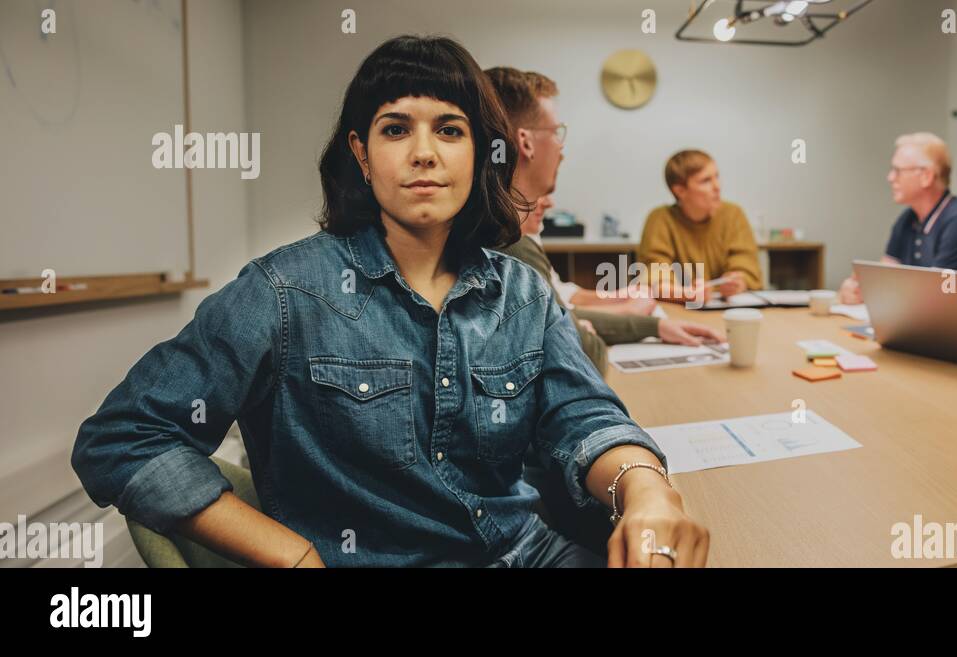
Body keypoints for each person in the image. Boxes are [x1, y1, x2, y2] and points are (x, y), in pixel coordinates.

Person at [71, 36, 709, 568]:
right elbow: (122, 438)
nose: (424, 153)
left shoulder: (520, 291)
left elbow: (584, 416)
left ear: (482, 153)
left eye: (450, 130)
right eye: (396, 128)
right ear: (361, 153)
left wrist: (646, 489)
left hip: (526, 553)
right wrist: (291, 555)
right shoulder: (283, 292)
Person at [484, 67, 723, 353]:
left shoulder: (502, 229)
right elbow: (584, 351)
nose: (561, 147)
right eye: (556, 132)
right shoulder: (511, 241)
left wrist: (630, 319)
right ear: (525, 142)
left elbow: (559, 306)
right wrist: (593, 323)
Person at [838, 132, 957, 304]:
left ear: (926, 176)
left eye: (897, 170)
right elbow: (884, 277)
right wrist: (858, 290)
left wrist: (879, 293)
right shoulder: (907, 219)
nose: (890, 177)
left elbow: (939, 296)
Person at [638, 149, 762, 302]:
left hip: (725, 307)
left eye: (717, 176)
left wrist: (739, 282)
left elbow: (745, 262)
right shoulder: (660, 219)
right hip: (679, 309)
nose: (717, 186)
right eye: (706, 181)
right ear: (680, 190)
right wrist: (685, 294)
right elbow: (654, 273)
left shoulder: (733, 214)